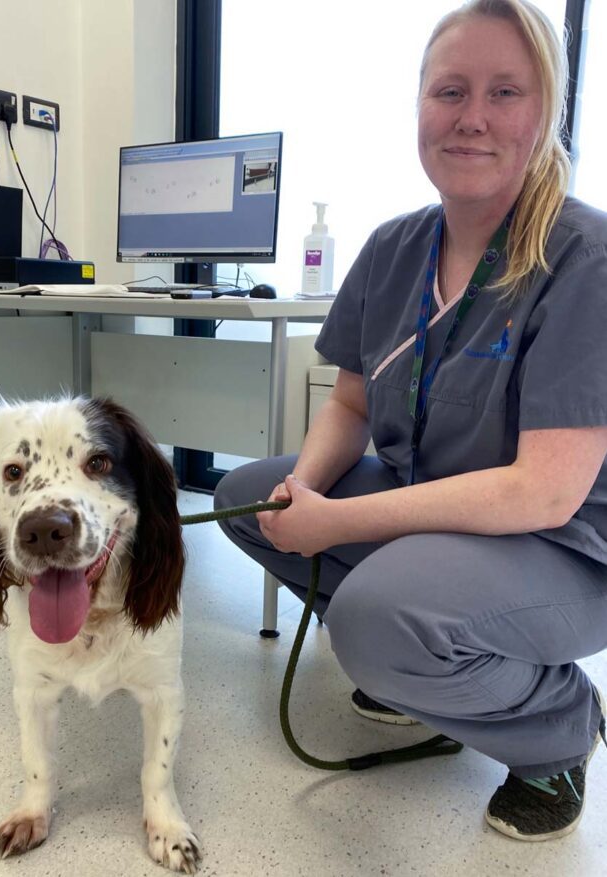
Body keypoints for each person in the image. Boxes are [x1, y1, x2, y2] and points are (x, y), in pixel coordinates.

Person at [215, 0, 607, 843]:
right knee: (248, 500)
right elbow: (352, 400)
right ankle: (429, 659)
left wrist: (337, 521)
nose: (470, 118)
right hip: (431, 507)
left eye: (505, 93)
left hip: (563, 546)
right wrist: (302, 489)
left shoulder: (586, 260)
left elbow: (542, 493)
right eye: (448, 91)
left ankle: (556, 725)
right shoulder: (394, 247)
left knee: (374, 618)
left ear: (546, 114)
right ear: (418, 106)